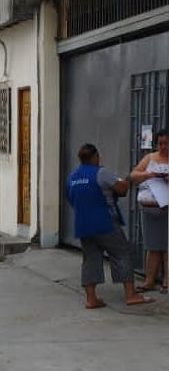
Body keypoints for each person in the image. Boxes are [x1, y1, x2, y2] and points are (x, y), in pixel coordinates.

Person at [65, 143, 155, 309]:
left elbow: (71, 200)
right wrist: (127, 179)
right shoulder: (101, 172)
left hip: (83, 224)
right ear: (95, 157)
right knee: (121, 253)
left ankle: (91, 299)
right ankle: (131, 295)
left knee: (90, 258)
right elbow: (121, 190)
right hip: (104, 222)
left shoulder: (72, 177)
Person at [130, 129, 169, 293]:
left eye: (166, 143)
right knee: (152, 246)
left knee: (166, 246)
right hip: (149, 211)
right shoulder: (149, 158)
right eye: (160, 143)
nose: (163, 147)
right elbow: (133, 175)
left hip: (166, 210)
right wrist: (148, 175)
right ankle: (149, 280)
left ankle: (166, 280)